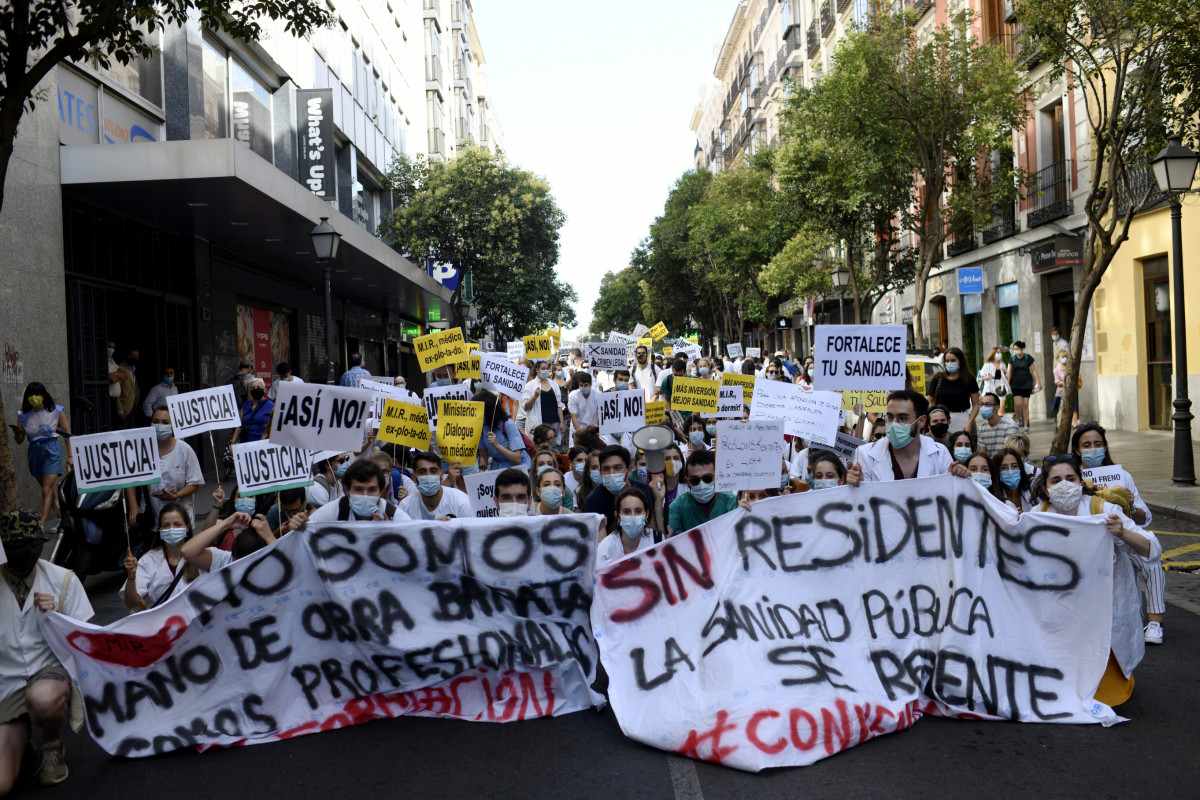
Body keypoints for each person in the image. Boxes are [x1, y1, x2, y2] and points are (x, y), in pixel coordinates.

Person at [1033, 455, 1159, 706]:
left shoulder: (1103, 510)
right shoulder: (1038, 516)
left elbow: (1151, 550)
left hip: (1105, 607)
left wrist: (1122, 532)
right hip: (1064, 610)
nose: (1064, 485)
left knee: (1105, 691)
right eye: (1056, 480)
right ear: (1046, 489)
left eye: (1070, 478)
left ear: (1081, 483)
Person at [0, 509, 94, 791]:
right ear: (4, 546)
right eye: (18, 545)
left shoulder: (62, 580)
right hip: (6, 684)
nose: (28, 551)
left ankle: (52, 746)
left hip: (46, 673)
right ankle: (23, 749)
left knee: (42, 699)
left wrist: (58, 616)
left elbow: (86, 638)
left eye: (35, 543)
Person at [1071, 422, 1162, 644]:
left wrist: (1129, 505)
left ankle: (1155, 623)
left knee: (1151, 562)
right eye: (1087, 445)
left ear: (1105, 447)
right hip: (1088, 545)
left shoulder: (1122, 477)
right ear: (1077, 450)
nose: (1093, 449)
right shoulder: (1071, 477)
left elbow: (1144, 518)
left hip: (1121, 540)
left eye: (1098, 444)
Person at [121, 502, 235, 611]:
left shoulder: (204, 556)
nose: (171, 529)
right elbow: (132, 603)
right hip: (164, 626)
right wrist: (131, 577)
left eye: (177, 524)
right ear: (160, 530)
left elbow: (237, 562)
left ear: (187, 527)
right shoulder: (148, 560)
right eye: (166, 525)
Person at [847, 390, 965, 485]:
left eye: (902, 418)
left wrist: (955, 479)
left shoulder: (940, 454)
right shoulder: (865, 455)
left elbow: (949, 499)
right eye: (890, 417)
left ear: (921, 422)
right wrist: (859, 487)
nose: (894, 424)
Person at [127, 406, 203, 528]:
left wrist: (176, 496)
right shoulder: (141, 450)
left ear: (173, 425)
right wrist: (133, 506)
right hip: (151, 515)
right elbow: (130, 478)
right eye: (155, 422)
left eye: (165, 422)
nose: (159, 426)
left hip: (180, 516)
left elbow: (194, 484)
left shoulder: (185, 450)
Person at [9, 383, 69, 526]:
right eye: (31, 395)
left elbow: (67, 435)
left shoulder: (56, 411)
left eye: (38, 394)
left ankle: (40, 525)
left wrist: (70, 456)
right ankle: (62, 517)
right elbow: (19, 441)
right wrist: (18, 434)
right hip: (35, 452)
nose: (34, 398)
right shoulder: (23, 416)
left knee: (46, 489)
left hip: (52, 449)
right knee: (47, 488)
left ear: (44, 395)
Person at [305, 459, 407, 522]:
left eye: (372, 490)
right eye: (358, 489)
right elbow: (307, 532)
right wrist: (296, 526)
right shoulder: (335, 511)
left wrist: (392, 536)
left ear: (380, 491)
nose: (365, 495)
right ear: (346, 490)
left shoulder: (393, 515)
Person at [667, 449, 737, 536]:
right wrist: (658, 501)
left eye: (707, 478)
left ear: (716, 477)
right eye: (695, 480)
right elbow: (663, 537)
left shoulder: (731, 502)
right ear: (687, 482)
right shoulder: (680, 504)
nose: (702, 485)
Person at [586, 445, 651, 536]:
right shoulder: (594, 500)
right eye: (606, 469)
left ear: (628, 470)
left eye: (617, 468)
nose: (612, 473)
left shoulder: (644, 490)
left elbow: (652, 531)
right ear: (601, 473)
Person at [181, 507, 276, 570]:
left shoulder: (272, 566)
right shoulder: (225, 560)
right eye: (237, 562)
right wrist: (226, 524)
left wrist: (270, 537)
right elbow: (187, 551)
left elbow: (289, 570)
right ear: (233, 554)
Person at [597, 486, 664, 563]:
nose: (633, 516)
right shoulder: (605, 548)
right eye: (627, 512)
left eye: (638, 511)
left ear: (646, 514)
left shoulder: (657, 539)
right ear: (617, 516)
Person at [400, 451, 471, 520]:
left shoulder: (461, 502)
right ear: (414, 477)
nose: (428, 475)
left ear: (441, 475)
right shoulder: (405, 506)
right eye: (422, 472)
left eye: (433, 471)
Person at [926, 347, 979, 433]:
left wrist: (970, 422)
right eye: (947, 361)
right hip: (940, 419)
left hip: (961, 420)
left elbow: (976, 404)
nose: (949, 363)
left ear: (960, 361)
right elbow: (929, 401)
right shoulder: (938, 378)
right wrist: (932, 419)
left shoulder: (968, 380)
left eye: (953, 360)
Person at [475, 390, 531, 470]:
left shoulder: (508, 425)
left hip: (517, 470)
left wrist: (497, 445)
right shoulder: (482, 427)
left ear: (488, 410)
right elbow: (483, 454)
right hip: (497, 470)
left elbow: (517, 458)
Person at [521, 360, 564, 440]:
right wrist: (534, 396)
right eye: (543, 368)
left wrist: (561, 422)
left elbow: (559, 405)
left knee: (552, 447)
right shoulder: (530, 385)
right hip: (539, 424)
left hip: (554, 423)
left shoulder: (554, 384)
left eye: (547, 369)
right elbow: (525, 407)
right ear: (537, 370)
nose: (545, 370)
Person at [1006, 341, 1042, 432]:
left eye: (1016, 349)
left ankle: (1026, 426)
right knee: (1018, 404)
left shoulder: (1028, 357)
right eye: (1014, 349)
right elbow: (1009, 371)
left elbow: (1033, 370)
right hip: (1015, 384)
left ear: (1021, 349)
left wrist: (1038, 382)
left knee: (1025, 404)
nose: (1014, 351)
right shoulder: (1012, 358)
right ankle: (1018, 420)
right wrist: (1007, 384)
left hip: (1026, 383)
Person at [229, 378, 273, 446]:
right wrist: (233, 443)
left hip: (262, 443)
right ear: (250, 390)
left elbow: (274, 427)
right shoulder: (246, 405)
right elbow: (240, 426)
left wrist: (266, 436)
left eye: (258, 387)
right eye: (253, 387)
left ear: (264, 390)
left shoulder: (271, 406)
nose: (255, 389)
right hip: (246, 443)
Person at [994, 447, 1034, 512]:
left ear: (1020, 468)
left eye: (1014, 466)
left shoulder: (1033, 488)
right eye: (1004, 467)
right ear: (997, 471)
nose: (1010, 471)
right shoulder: (994, 496)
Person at [567, 373, 600, 438]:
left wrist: (598, 429)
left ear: (590, 384)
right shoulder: (573, 396)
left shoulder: (598, 394)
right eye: (581, 385)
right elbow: (574, 417)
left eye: (585, 385)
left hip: (593, 427)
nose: (583, 387)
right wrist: (580, 433)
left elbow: (600, 415)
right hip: (578, 427)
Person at [115, 348, 141, 427]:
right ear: (127, 355)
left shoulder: (133, 369)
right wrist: (120, 410)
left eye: (136, 357)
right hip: (123, 408)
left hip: (132, 405)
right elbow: (116, 391)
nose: (134, 359)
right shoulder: (120, 368)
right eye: (132, 356)